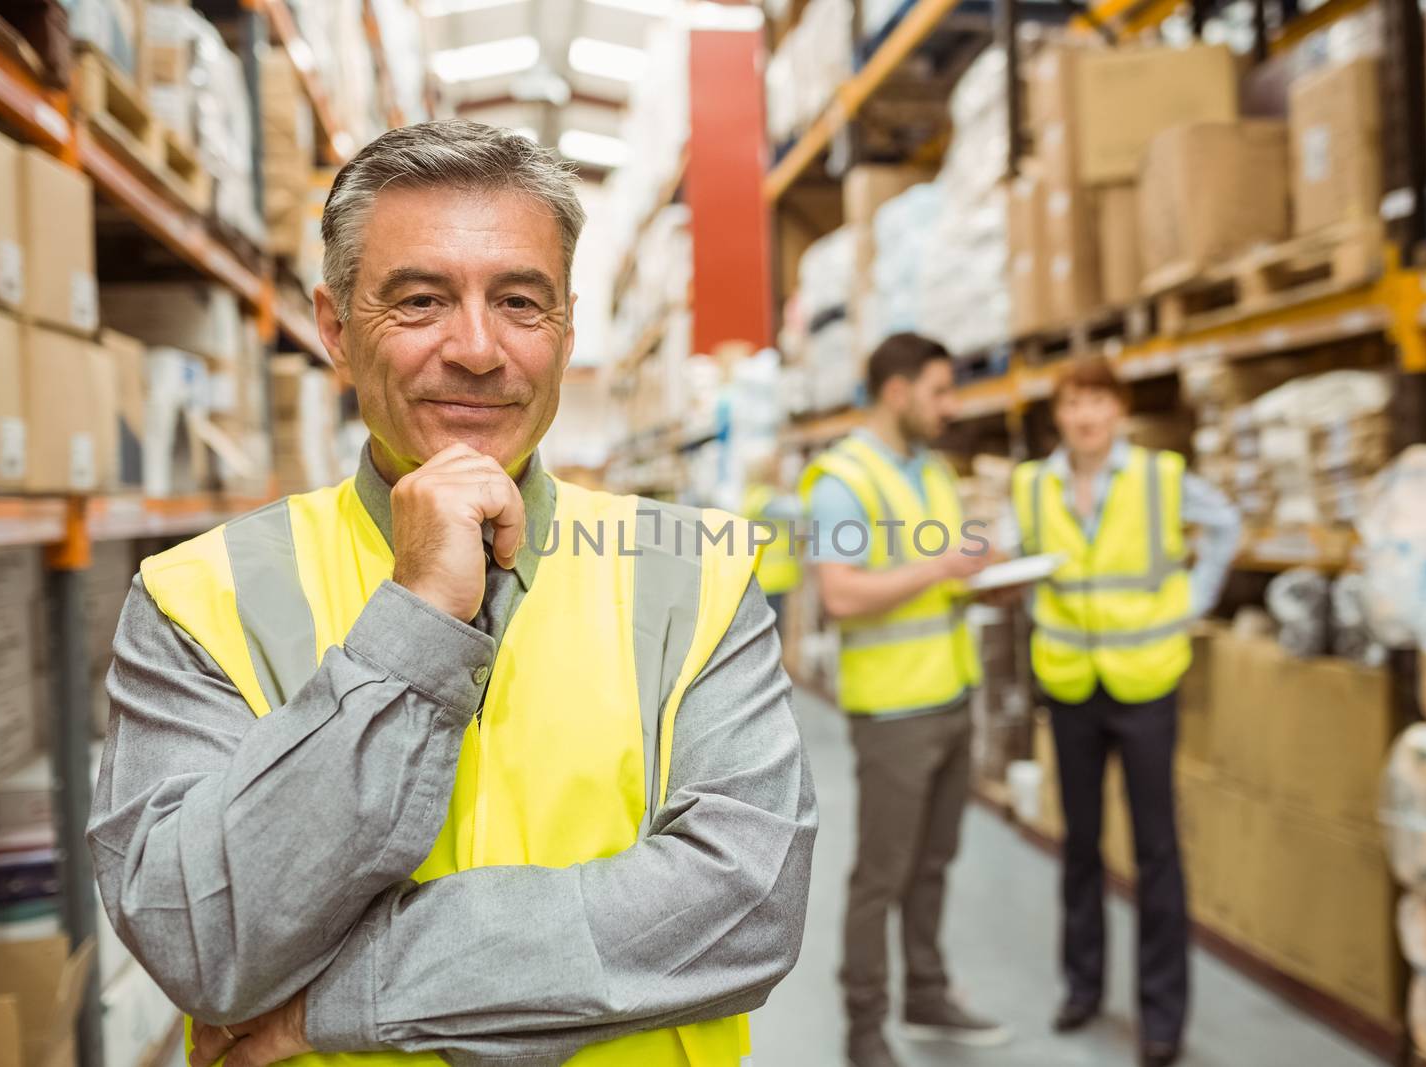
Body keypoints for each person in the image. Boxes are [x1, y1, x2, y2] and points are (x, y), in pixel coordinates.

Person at [87, 121, 817, 1067]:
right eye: (421, 300)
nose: (478, 349)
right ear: (334, 328)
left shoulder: (699, 571)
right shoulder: (197, 597)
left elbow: (744, 909)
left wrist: (335, 999)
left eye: (520, 301)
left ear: (565, 329)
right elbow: (202, 940)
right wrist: (418, 617)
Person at [1011, 356, 1240, 1067]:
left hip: (1144, 680)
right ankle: (1082, 987)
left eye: (1098, 402)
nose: (1086, 416)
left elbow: (1225, 524)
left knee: (1156, 848)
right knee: (1079, 844)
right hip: (1072, 681)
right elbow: (1016, 560)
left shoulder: (1158, 477)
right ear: (1059, 414)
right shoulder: (1031, 486)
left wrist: (1191, 603)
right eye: (1074, 403)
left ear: (1119, 410)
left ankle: (1161, 1016)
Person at [798, 333, 1011, 1067]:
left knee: (934, 861)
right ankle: (865, 1027)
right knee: (881, 875)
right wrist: (942, 566)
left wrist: (982, 574)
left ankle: (926, 993)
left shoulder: (931, 470)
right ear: (898, 392)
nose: (950, 407)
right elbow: (841, 591)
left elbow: (939, 570)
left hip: (950, 692)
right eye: (939, 391)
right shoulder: (843, 481)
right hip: (892, 710)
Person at [740, 452, 803, 633]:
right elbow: (799, 509)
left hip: (770, 581)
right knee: (774, 636)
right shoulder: (762, 497)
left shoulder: (755, 495)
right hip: (769, 582)